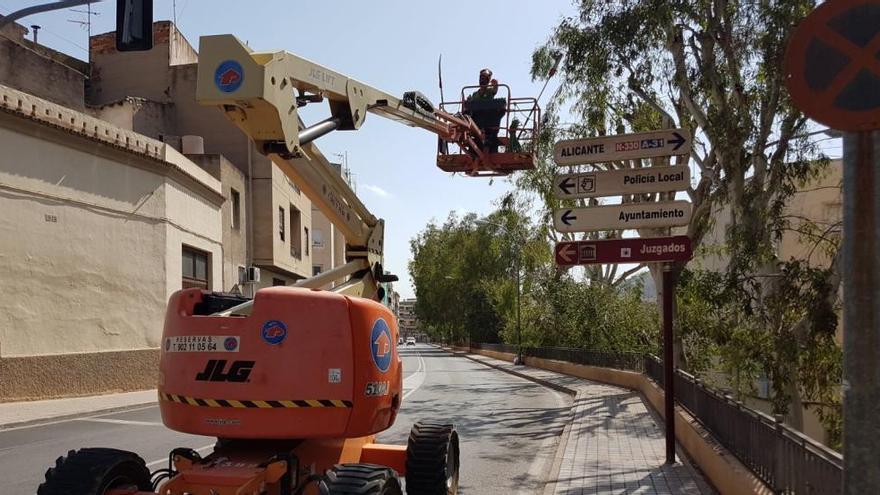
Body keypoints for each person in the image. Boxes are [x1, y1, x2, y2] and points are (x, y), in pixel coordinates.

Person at [466, 68, 503, 152]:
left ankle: (488, 139)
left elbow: (495, 89)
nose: (482, 80)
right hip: (477, 122)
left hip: (489, 122)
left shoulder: (490, 91)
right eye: (481, 78)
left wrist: (495, 84)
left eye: (485, 78)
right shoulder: (475, 95)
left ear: (488, 80)